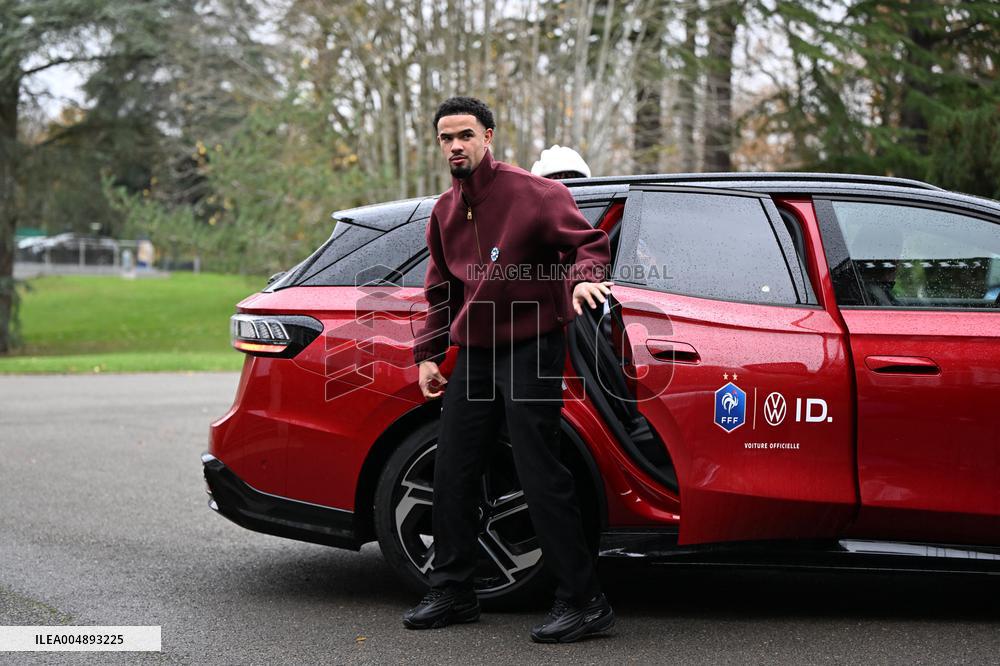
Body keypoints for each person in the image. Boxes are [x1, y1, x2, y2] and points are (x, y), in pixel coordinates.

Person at [405, 96, 616, 643]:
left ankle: (584, 600)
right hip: (474, 355)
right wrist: (429, 354)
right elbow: (441, 291)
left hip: (532, 345)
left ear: (488, 137)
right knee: (452, 469)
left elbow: (588, 244)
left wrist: (585, 280)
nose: (455, 146)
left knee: (539, 468)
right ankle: (453, 590)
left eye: (466, 135)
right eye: (446, 138)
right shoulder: (443, 212)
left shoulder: (536, 194)